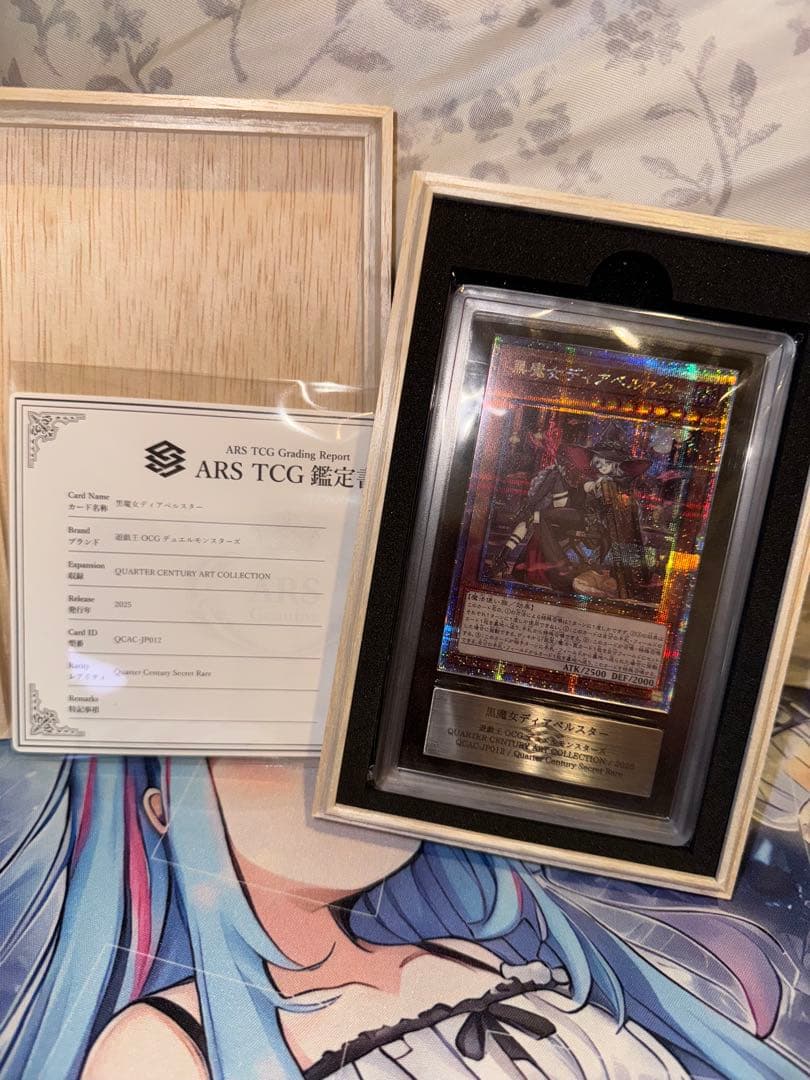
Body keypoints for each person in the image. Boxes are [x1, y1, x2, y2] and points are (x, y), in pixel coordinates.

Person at [0, 746, 805, 1080]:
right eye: (272, 754)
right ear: (162, 810)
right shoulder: (164, 1047)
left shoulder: (474, 960)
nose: (328, 779)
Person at [492, 422, 650, 592]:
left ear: (616, 465)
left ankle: (561, 567)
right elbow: (587, 486)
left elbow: (608, 501)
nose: (603, 465)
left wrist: (600, 491)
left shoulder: (615, 483)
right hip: (583, 516)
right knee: (538, 517)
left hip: (594, 522)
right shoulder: (591, 477)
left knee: (542, 516)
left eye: (609, 462)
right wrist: (591, 487)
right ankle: (518, 561)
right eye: (600, 460)